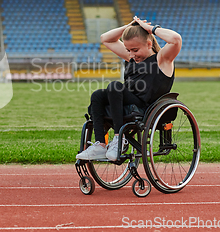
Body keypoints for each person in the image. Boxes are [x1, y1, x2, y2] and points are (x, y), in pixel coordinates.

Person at [76, 16, 182, 161]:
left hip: (147, 107)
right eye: (128, 50)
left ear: (149, 44)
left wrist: (150, 28)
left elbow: (176, 39)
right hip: (126, 101)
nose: (131, 55)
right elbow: (105, 38)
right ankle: (100, 145)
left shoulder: (162, 59)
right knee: (97, 95)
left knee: (115, 86)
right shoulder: (131, 58)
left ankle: (120, 139)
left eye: (135, 50)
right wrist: (129, 26)